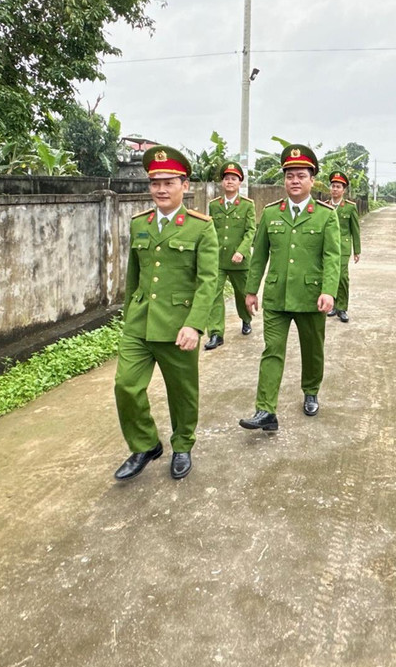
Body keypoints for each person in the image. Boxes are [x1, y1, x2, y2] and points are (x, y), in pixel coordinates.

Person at [112, 146, 220, 481]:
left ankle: (183, 444)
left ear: (184, 186)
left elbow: (208, 282)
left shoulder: (201, 227)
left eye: (169, 182)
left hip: (178, 326)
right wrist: (130, 315)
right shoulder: (139, 224)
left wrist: (195, 325)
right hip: (140, 323)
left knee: (182, 391)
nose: (161, 189)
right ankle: (145, 444)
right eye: (155, 182)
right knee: (125, 385)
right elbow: (134, 275)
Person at [238, 144, 341, 432]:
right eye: (289, 176)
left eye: (300, 175)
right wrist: (250, 290)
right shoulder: (271, 214)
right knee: (272, 350)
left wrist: (329, 290)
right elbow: (259, 255)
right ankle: (265, 410)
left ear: (312, 180)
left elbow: (332, 256)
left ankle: (310, 390)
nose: (294, 181)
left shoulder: (325, 215)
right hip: (276, 296)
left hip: (311, 297)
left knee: (312, 350)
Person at [204, 161, 257, 350]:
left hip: (239, 261)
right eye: (226, 178)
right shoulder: (214, 205)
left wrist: (241, 251)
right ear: (222, 182)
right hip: (217, 259)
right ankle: (216, 333)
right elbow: (210, 232)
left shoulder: (247, 205)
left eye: (233, 179)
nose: (229, 182)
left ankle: (246, 319)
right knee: (213, 295)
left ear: (239, 183)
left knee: (242, 293)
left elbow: (251, 231)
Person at [327, 172, 361, 323]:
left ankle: (342, 308)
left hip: (343, 247)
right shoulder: (325, 206)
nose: (335, 189)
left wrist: (357, 251)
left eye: (338, 187)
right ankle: (332, 305)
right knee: (330, 276)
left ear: (343, 190)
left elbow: (355, 230)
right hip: (327, 247)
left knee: (342, 277)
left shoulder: (349, 208)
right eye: (333, 186)